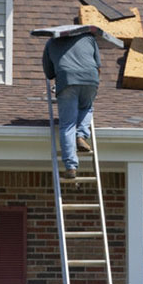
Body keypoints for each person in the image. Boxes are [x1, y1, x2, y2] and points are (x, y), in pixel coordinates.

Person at [42, 33, 101, 179]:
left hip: (67, 79)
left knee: (68, 124)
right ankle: (81, 135)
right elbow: (98, 66)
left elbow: (49, 73)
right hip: (90, 78)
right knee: (86, 107)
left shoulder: (51, 42)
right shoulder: (88, 38)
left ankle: (71, 167)